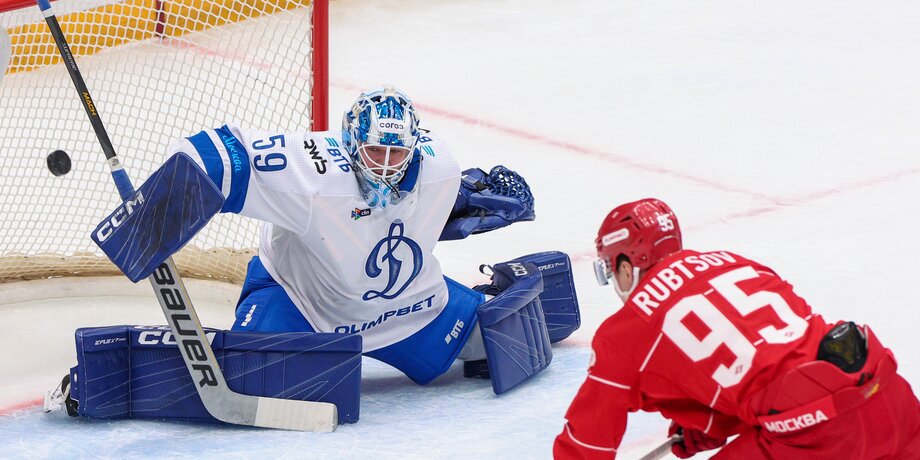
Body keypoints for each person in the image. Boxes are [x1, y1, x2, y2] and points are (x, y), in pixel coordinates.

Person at [168, 84, 541, 385]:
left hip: (406, 310)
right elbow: (210, 154)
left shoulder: (439, 166)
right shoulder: (311, 169)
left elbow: (417, 215)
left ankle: (487, 294)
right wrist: (159, 203)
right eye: (375, 150)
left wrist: (461, 201)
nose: (385, 166)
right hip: (304, 302)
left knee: (500, 342)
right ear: (351, 143)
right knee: (245, 376)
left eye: (396, 154)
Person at [553, 198, 920, 459]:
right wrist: (708, 426)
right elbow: (766, 362)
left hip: (813, 436)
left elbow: (589, 441)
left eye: (608, 270)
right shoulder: (738, 263)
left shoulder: (627, 329)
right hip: (890, 398)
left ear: (625, 263)